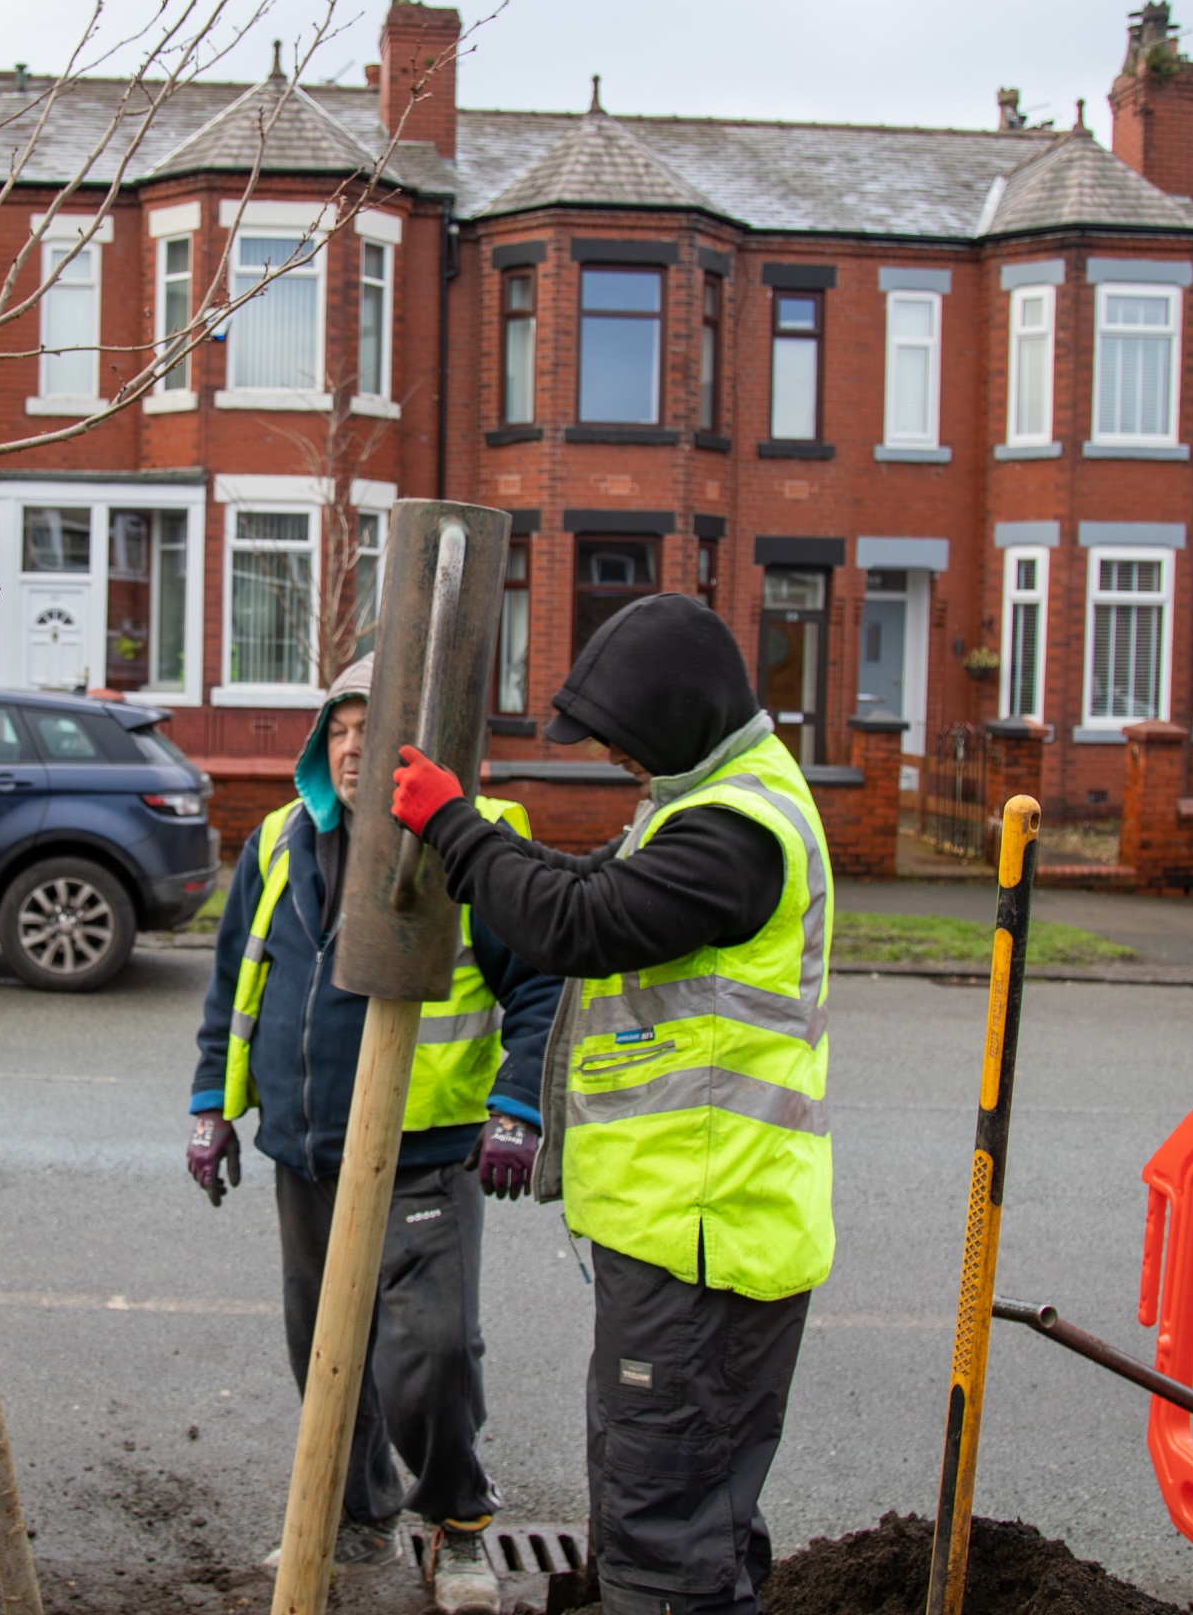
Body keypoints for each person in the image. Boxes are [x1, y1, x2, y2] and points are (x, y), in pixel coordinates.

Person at [384, 594, 834, 1615]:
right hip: (688, 1236)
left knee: (665, 1548)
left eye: (628, 742)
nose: (622, 763)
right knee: (684, 1522)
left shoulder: (738, 831)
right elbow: (586, 879)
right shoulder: (707, 800)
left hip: (705, 1246)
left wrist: (454, 826)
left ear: (679, 717)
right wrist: (482, 836)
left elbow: (579, 921)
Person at [187, 654, 563, 1615]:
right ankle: (354, 1518)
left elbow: (538, 987)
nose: (351, 748)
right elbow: (237, 982)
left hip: (426, 1149)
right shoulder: (278, 839)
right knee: (322, 1351)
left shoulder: (475, 838)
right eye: (338, 731)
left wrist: (519, 1105)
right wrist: (210, 1104)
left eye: (372, 729)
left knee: (429, 1355)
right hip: (304, 1148)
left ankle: (459, 1524)